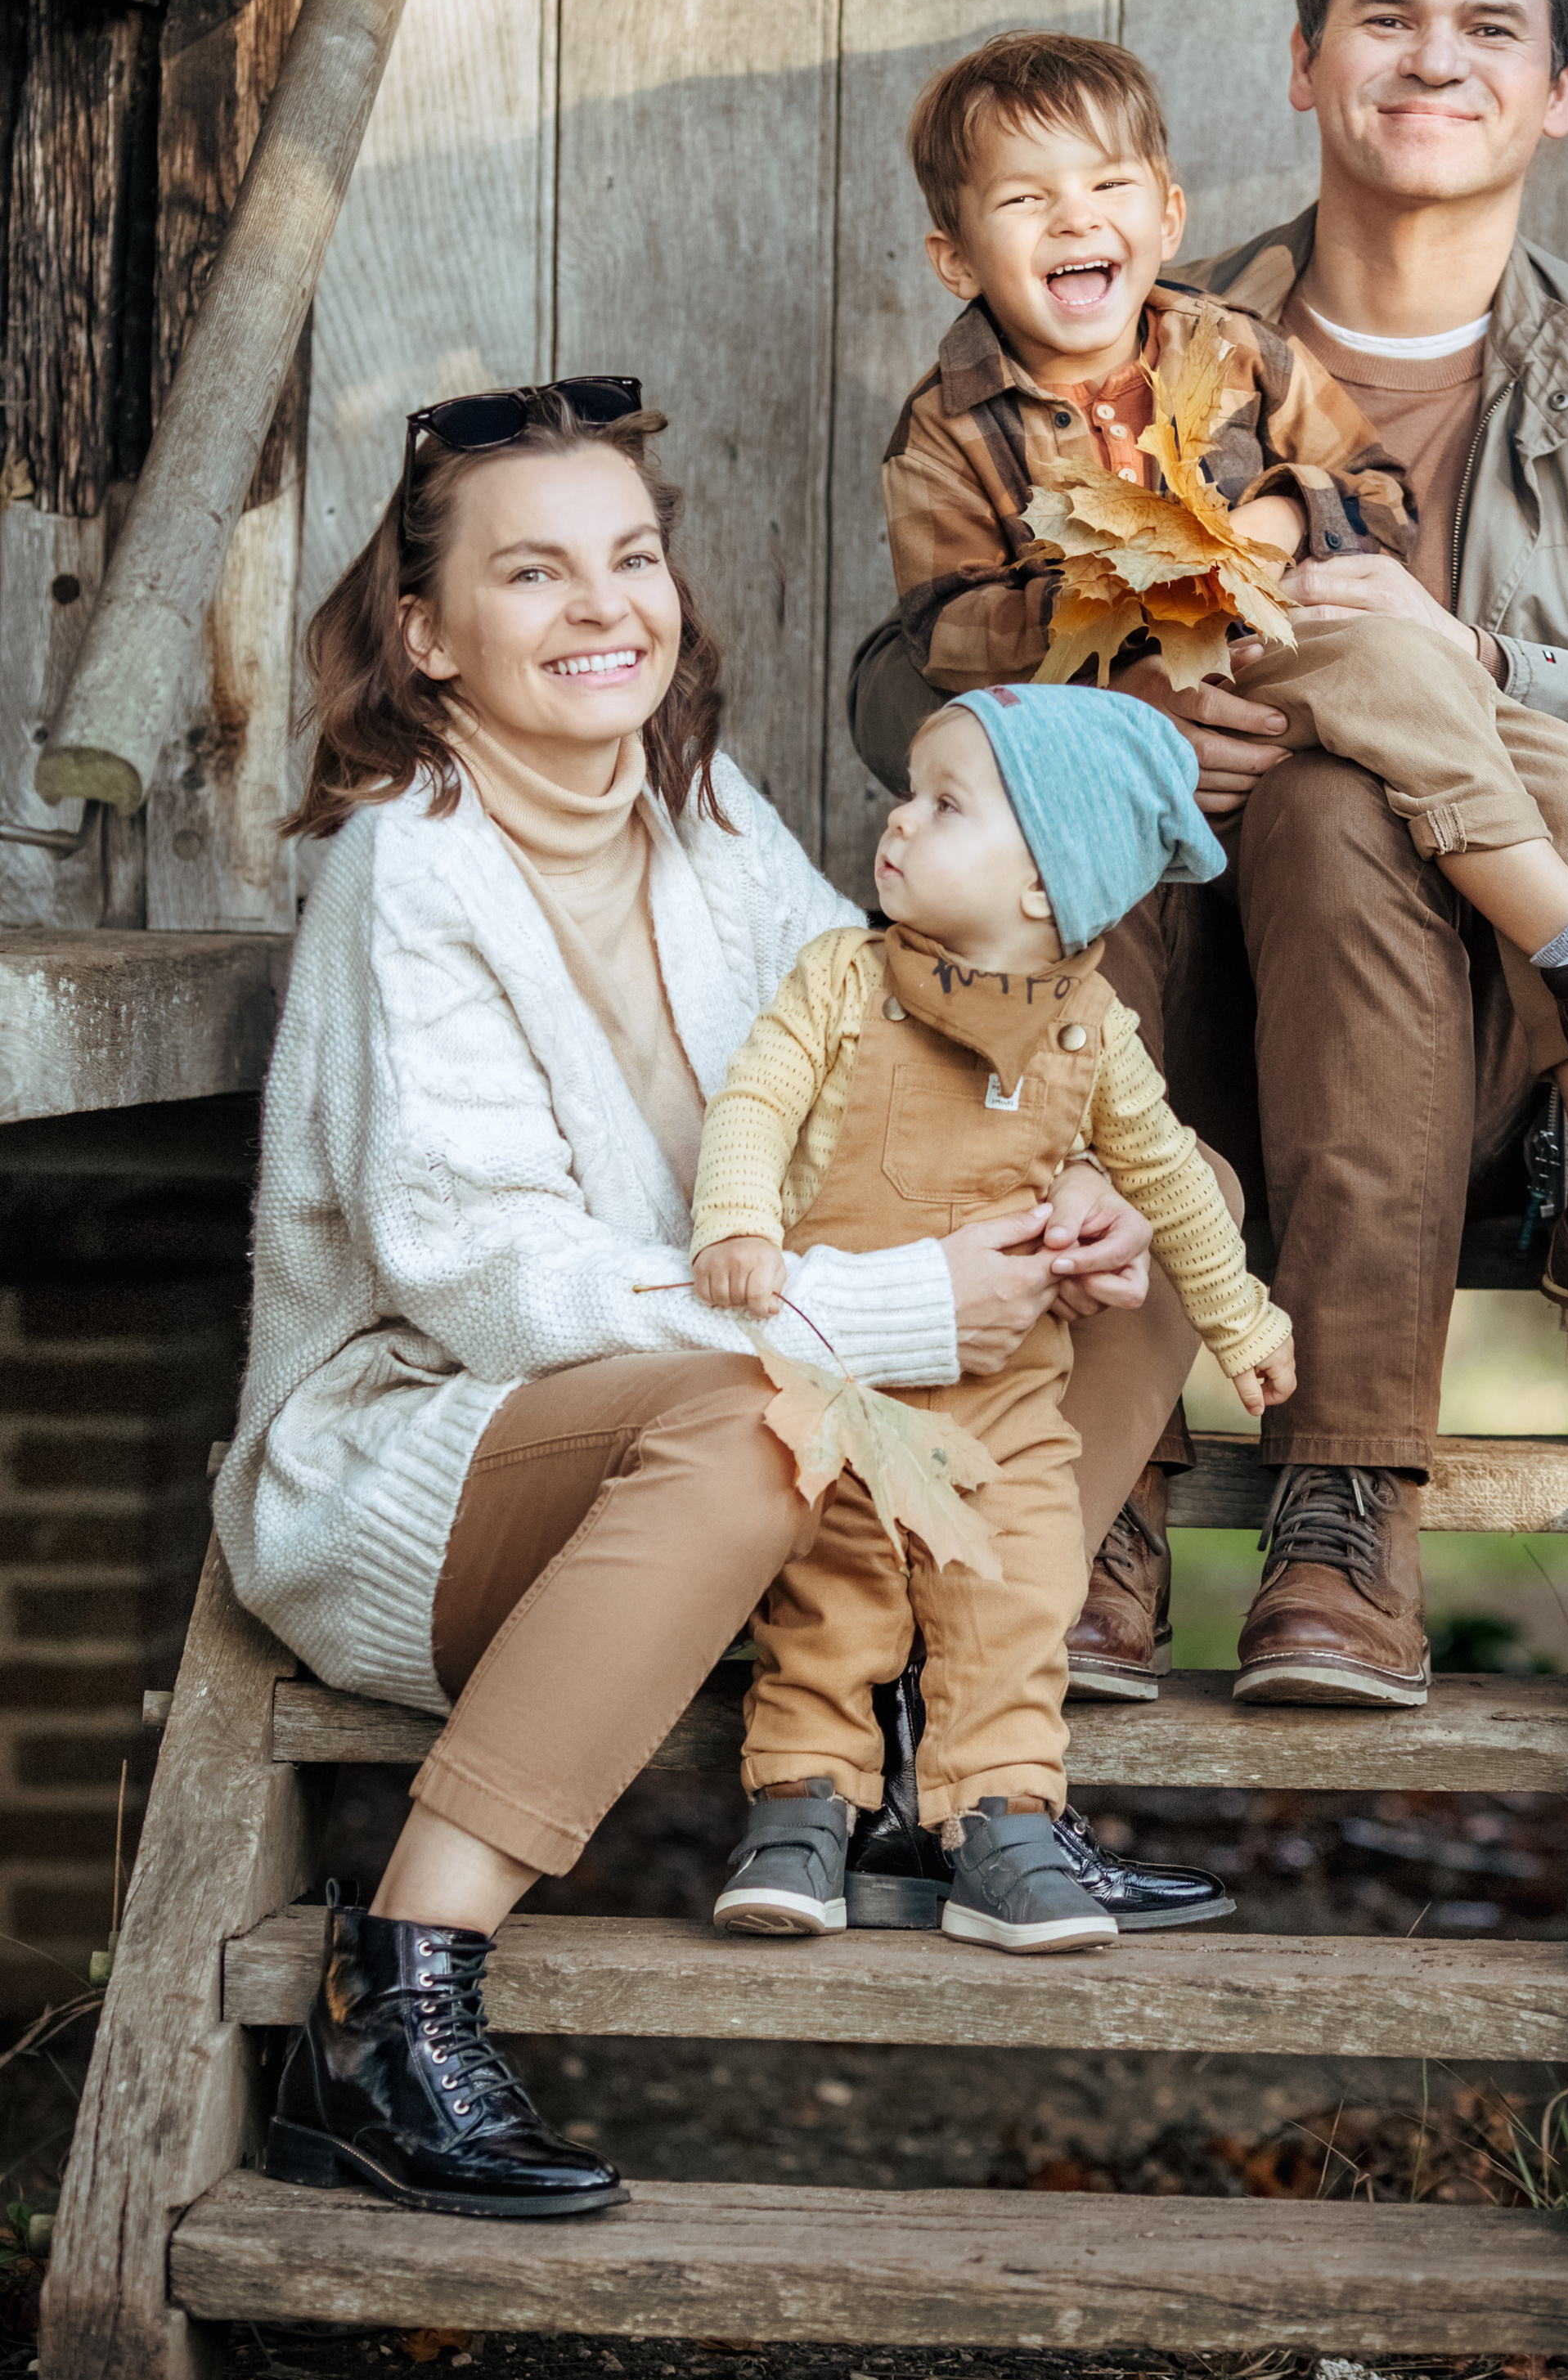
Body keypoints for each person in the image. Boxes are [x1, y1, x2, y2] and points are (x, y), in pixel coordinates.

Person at [217, 378, 1224, 2221]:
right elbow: (489, 1278)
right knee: (757, 1421)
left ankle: (951, 1763)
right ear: (427, 636)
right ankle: (392, 2003)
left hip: (737, 1416)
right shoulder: (405, 874)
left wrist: (1064, 1183)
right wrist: (887, 1312)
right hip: (437, 1460)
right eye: (534, 572)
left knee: (1160, 1227)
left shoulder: (702, 814)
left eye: (633, 557)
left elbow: (904, 1042)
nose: (606, 605)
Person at [848, 0, 1568, 1712]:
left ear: (1555, 91)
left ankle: (1348, 1504)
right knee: (1098, 803)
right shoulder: (1136, 327)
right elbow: (890, 679)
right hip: (1173, 1002)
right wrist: (1120, 696)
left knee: (1326, 809)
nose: (1434, 60)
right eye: (1386, 17)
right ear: (1305, 66)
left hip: (1476, 1040)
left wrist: (1481, 664)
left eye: (1490, 29)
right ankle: (1104, 1495)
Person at [690, 685, 1294, 1948]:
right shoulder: (841, 978)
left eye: (946, 805)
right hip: (846, 1381)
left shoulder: (1093, 1027)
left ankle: (1002, 1829)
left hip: (1006, 1400)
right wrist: (738, 1223)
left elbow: (1172, 1181)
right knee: (833, 1599)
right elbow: (756, 1101)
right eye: (910, 796)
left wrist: (1243, 1327)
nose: (900, 822)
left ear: (1043, 884)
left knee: (1013, 1601)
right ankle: (803, 1816)